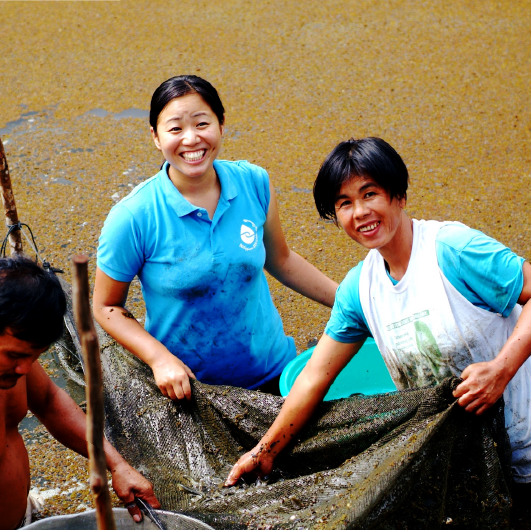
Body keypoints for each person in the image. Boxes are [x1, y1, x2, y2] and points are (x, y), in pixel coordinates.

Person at [225, 137, 531, 499]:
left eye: (370, 194)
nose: (360, 212)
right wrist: (265, 452)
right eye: (345, 203)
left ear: (398, 195)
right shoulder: (359, 289)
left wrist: (500, 370)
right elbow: (313, 378)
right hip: (459, 462)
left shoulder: (453, 250)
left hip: (524, 443)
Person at [93, 75, 338, 401]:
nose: (191, 139)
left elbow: (282, 260)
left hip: (274, 373)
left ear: (221, 124)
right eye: (175, 128)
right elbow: (107, 306)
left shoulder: (254, 182)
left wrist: (350, 304)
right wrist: (159, 359)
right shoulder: (134, 217)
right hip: (192, 392)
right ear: (155, 136)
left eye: (202, 123)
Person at [0, 257, 159, 530]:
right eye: (14, 356)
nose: (25, 369)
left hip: (21, 517)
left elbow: (49, 401)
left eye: (35, 357)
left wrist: (117, 466)